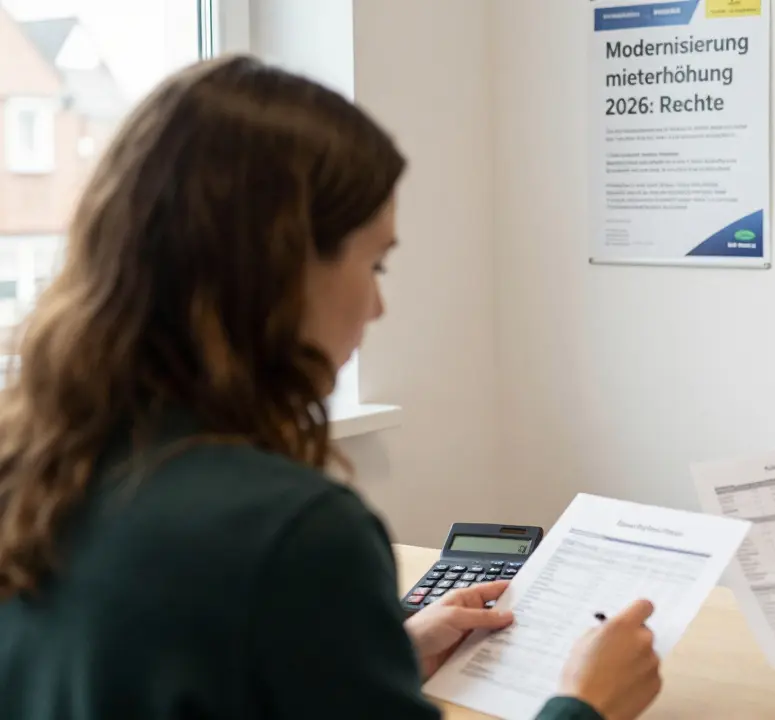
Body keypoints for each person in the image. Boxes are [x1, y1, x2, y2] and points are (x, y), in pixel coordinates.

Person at [0, 55, 661, 720]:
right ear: (281, 270)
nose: (378, 306)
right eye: (374, 262)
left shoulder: (34, 467)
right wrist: (586, 705)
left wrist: (372, 661)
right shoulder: (297, 536)